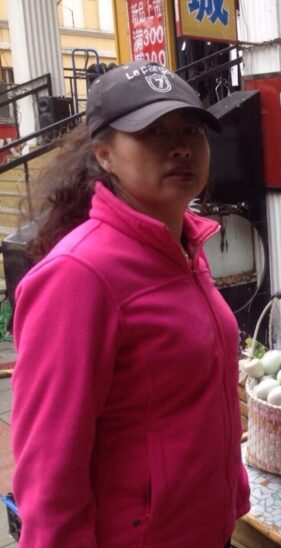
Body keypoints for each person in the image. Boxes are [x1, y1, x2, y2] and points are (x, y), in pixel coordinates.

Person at [11, 60, 250, 546]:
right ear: (104, 154)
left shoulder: (184, 249)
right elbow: (48, 474)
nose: (180, 146)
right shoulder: (79, 277)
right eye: (153, 133)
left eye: (190, 130)